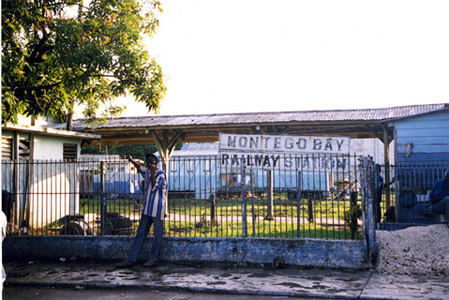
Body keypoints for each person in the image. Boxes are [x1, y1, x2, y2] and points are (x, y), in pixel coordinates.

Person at [116, 153, 167, 268]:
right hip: (147, 209)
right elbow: (140, 168)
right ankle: (132, 258)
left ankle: (154, 259)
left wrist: (153, 172)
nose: (150, 164)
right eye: (148, 162)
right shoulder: (148, 172)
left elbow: (155, 187)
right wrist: (130, 160)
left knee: (157, 236)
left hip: (157, 209)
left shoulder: (161, 174)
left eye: (152, 161)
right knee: (140, 234)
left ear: (156, 162)